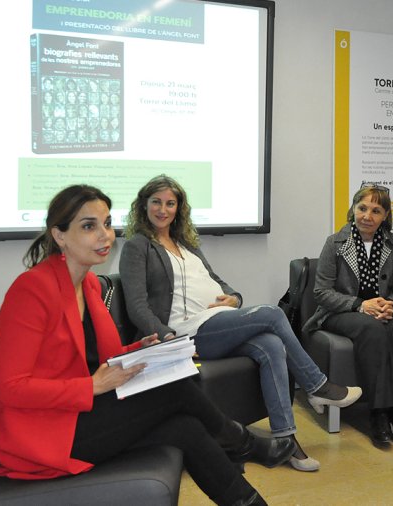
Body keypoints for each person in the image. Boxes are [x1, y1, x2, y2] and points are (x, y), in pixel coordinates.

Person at [0, 185, 295, 505]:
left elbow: (103, 359)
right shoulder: (31, 291)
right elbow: (12, 388)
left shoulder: (88, 284)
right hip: (42, 434)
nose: (104, 235)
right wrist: (90, 386)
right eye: (89, 226)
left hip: (77, 413)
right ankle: (239, 441)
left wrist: (141, 349)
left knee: (184, 426)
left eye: (106, 223)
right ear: (59, 235)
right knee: (175, 390)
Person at [120, 175, 362, 472]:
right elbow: (137, 305)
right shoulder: (138, 246)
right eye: (156, 202)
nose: (162, 209)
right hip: (186, 333)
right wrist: (168, 337)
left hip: (214, 320)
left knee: (272, 344)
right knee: (273, 314)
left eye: (170, 203)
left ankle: (287, 442)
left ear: (178, 208)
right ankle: (316, 385)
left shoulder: (186, 243)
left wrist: (234, 298)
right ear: (143, 205)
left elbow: (215, 280)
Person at [303, 183, 393, 447]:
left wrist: (391, 303)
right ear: (353, 209)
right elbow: (321, 292)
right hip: (341, 310)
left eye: (376, 210)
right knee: (372, 330)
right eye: (362, 208)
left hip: (382, 308)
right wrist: (360, 305)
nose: (367, 216)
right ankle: (378, 413)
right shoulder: (335, 243)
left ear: (385, 216)